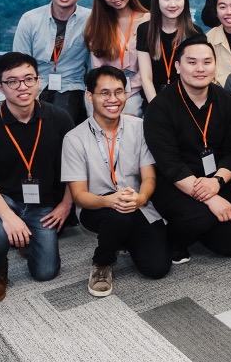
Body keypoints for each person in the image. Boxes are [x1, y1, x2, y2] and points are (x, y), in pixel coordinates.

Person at [0, 53, 75, 303]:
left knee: (46, 272)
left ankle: (25, 236)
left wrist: (65, 205)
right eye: (13, 82)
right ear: (0, 87)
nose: (23, 87)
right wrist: (10, 218)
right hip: (2, 198)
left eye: (29, 79)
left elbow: (76, 168)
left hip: (43, 201)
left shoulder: (59, 118)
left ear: (39, 81)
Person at [61, 67, 170, 297]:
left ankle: (122, 237)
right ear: (90, 96)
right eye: (104, 93)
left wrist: (141, 198)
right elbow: (79, 195)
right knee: (118, 216)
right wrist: (111, 201)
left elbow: (149, 177)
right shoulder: (74, 139)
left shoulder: (139, 127)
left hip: (136, 203)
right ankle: (102, 262)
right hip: (97, 206)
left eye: (119, 92)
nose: (113, 99)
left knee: (157, 267)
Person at [143, 35, 231, 264]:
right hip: (174, 183)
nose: (200, 69)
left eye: (207, 62)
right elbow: (169, 164)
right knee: (200, 218)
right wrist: (211, 199)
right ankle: (172, 238)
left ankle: (197, 226)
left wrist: (217, 183)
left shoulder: (227, 102)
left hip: (215, 178)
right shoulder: (160, 107)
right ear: (178, 67)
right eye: (192, 62)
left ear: (215, 66)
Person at [12, 0, 91, 124]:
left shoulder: (91, 20)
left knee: (57, 121)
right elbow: (19, 62)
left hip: (71, 84)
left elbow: (95, 61)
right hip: (35, 83)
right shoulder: (30, 19)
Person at [84, 0, 150, 117]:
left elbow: (149, 66)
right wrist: (111, 93)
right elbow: (97, 67)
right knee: (96, 109)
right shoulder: (97, 24)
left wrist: (126, 90)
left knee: (129, 113)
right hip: (105, 87)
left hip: (137, 87)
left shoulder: (148, 20)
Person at [136, 0, 204, 103]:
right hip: (154, 99)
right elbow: (146, 77)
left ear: (184, 0)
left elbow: (197, 77)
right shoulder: (145, 30)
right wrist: (156, 108)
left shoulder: (195, 33)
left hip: (186, 100)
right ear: (157, 0)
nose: (172, 4)